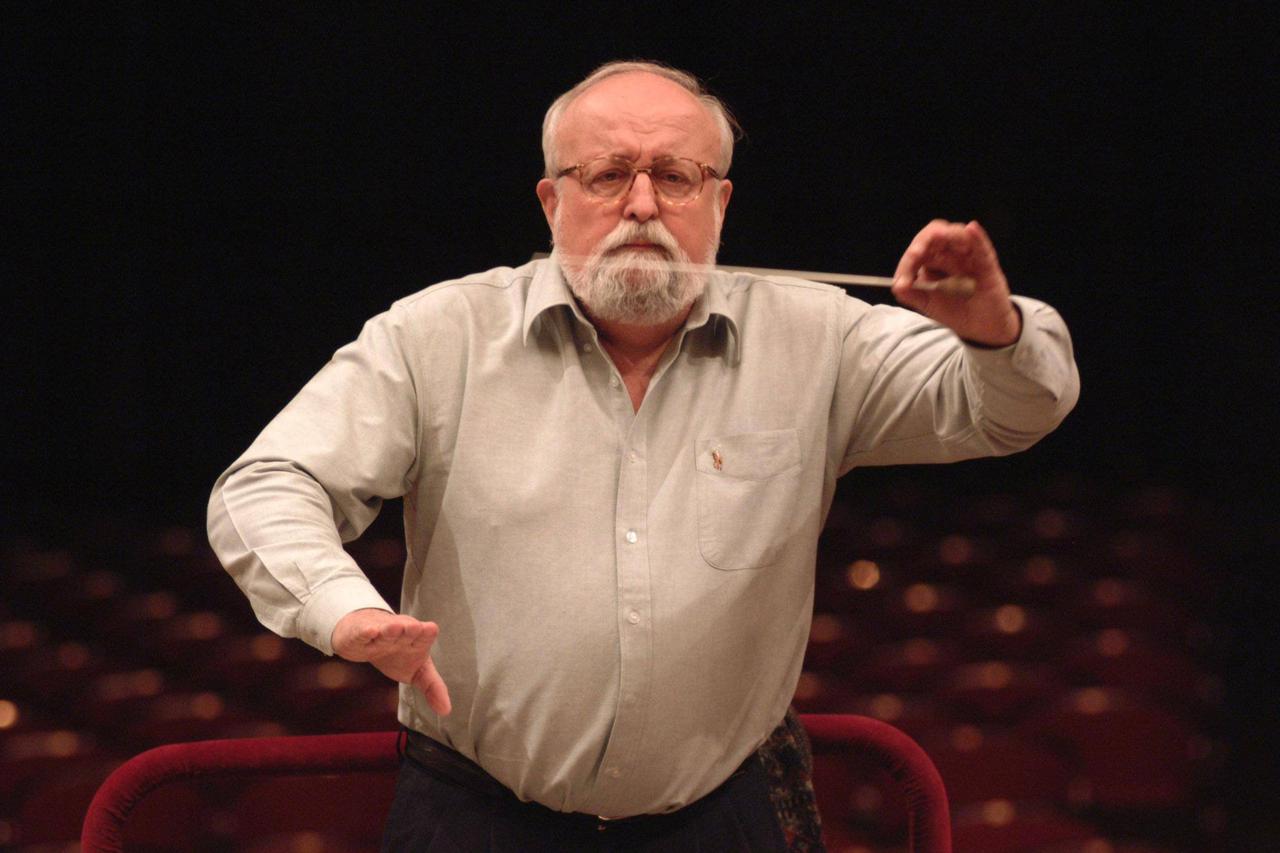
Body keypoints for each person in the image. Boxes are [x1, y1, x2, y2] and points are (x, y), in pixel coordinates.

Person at [207, 60, 1079, 851]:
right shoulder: (440, 336)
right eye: (608, 175)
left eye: (675, 176)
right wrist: (339, 609)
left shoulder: (819, 339)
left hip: (723, 817)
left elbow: (1011, 411)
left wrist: (993, 330)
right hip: (477, 816)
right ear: (552, 202)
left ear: (721, 202)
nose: (641, 204)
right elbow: (265, 484)